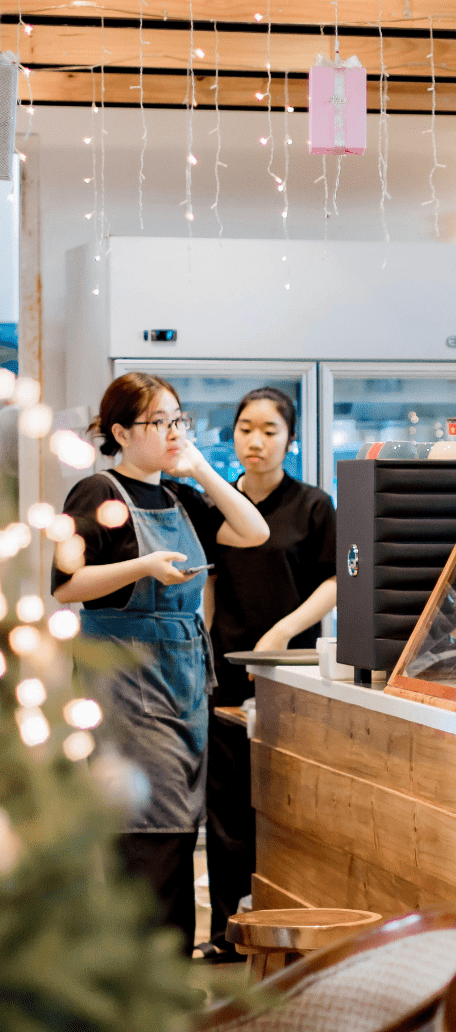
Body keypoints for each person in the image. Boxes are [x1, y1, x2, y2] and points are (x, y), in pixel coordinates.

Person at [53, 373, 269, 954]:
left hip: (183, 687)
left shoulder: (180, 496)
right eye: (159, 422)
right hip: (126, 690)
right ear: (121, 432)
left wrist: (199, 468)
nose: (173, 432)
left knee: (176, 830)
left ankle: (160, 979)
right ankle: (155, 981)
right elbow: (66, 585)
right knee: (153, 835)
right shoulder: (96, 493)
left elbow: (255, 530)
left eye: (178, 419)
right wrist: (140, 567)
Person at [200, 387, 336, 962]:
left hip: (294, 673)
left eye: (269, 430)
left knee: (290, 801)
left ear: (290, 438)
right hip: (227, 672)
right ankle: (229, 935)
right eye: (244, 429)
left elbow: (335, 583)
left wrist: (281, 634)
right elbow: (205, 585)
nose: (255, 441)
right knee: (226, 805)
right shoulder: (218, 508)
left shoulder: (312, 506)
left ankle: (295, 929)